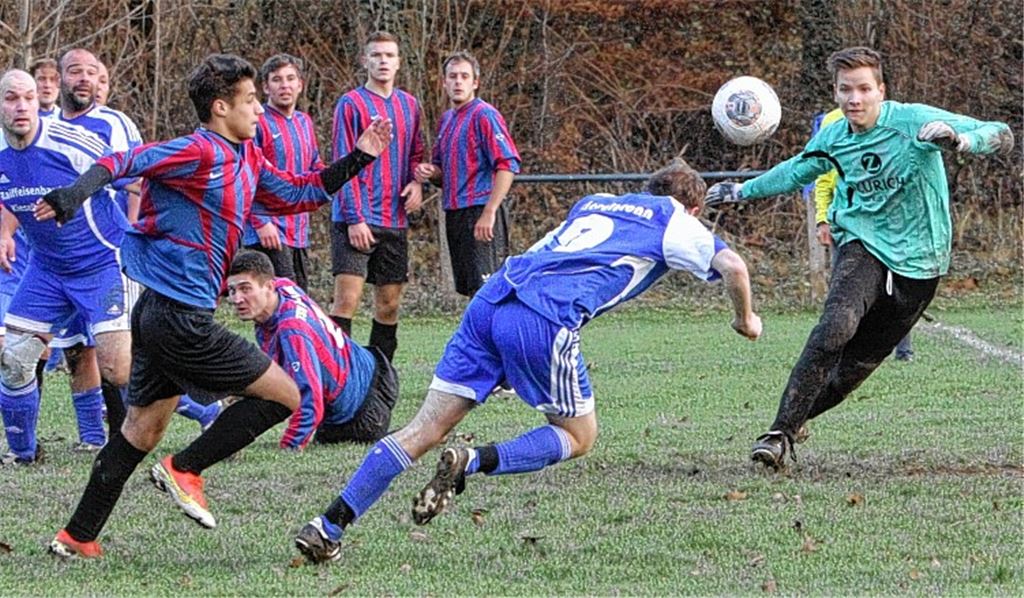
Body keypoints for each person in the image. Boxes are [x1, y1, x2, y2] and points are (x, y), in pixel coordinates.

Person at [293, 158, 763, 563]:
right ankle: (472, 461)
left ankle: (328, 526)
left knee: (421, 430)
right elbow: (735, 268)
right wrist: (746, 319)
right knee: (579, 436)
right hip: (544, 316)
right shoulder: (675, 218)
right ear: (695, 209)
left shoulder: (596, 201)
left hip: (492, 299)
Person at [39, 53, 392, 559]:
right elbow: (123, 162)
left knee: (140, 431)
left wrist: (360, 156)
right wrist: (75, 194)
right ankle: (186, 469)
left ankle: (78, 536)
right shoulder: (198, 151)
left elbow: (301, 192)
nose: (258, 110)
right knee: (285, 395)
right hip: (177, 316)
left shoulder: (250, 157)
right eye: (250, 101)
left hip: (164, 316)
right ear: (221, 107)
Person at [704, 46, 1013, 470]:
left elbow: (1001, 133)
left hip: (921, 260)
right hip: (861, 242)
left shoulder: (913, 121)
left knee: (852, 371)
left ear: (880, 91)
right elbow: (798, 170)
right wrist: (741, 191)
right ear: (835, 93)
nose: (855, 99)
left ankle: (795, 422)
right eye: (846, 90)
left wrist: (959, 139)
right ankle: (777, 436)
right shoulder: (834, 137)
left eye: (864, 89)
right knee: (836, 326)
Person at [0, 69, 125, 465]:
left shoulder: (69, 141)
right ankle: (23, 456)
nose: (21, 106)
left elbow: (127, 171)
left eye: (28, 97)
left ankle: (198, 403)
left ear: (40, 101)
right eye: (10, 98)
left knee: (117, 369)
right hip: (46, 270)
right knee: (15, 360)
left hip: (103, 263)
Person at [227, 250, 398, 450]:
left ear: (269, 286)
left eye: (245, 289)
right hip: (373, 368)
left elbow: (310, 398)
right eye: (232, 290)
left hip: (363, 412)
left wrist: (290, 445)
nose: (237, 299)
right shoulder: (283, 288)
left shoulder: (292, 329)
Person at [329, 31, 424, 362]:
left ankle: (380, 372)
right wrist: (354, 218)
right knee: (347, 301)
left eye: (389, 56)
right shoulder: (351, 104)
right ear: (365, 61)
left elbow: (416, 154)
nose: (383, 61)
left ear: (398, 62)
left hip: (393, 218)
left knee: (389, 304)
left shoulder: (410, 105)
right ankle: (339, 373)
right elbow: (343, 162)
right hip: (354, 219)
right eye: (376, 55)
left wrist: (417, 183)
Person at [414, 51, 520, 297]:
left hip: (480, 210)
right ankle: (477, 336)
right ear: (444, 82)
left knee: (489, 290)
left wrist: (490, 211)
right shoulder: (447, 120)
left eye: (464, 76)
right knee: (471, 289)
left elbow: (507, 164)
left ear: (475, 82)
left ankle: (498, 336)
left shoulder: (485, 115)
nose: (458, 82)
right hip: (455, 212)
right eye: (453, 76)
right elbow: (442, 175)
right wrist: (430, 172)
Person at [813, 107, 915, 362]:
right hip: (847, 222)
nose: (854, 98)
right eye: (846, 87)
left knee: (896, 285)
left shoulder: (894, 119)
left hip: (888, 219)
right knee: (844, 287)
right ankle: (843, 349)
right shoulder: (831, 122)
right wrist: (822, 218)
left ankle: (904, 350)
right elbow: (824, 174)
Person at [244, 54, 324, 291]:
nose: (285, 85)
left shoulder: (304, 122)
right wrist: (260, 221)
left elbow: (314, 165)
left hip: (298, 228)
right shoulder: (257, 123)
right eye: (277, 80)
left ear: (300, 84)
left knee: (299, 296)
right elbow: (246, 175)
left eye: (290, 79)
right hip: (268, 229)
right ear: (266, 87)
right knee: (278, 297)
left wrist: (337, 177)